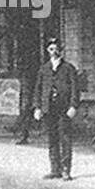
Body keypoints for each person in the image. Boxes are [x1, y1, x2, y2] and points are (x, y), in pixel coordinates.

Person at [32, 36, 79, 180]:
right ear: (47, 51)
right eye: (51, 49)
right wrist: (37, 107)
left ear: (61, 50)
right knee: (52, 139)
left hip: (64, 110)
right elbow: (38, 89)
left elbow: (75, 89)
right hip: (48, 109)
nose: (54, 51)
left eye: (57, 49)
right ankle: (55, 169)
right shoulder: (44, 69)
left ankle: (66, 170)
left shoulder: (68, 68)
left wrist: (73, 106)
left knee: (65, 138)